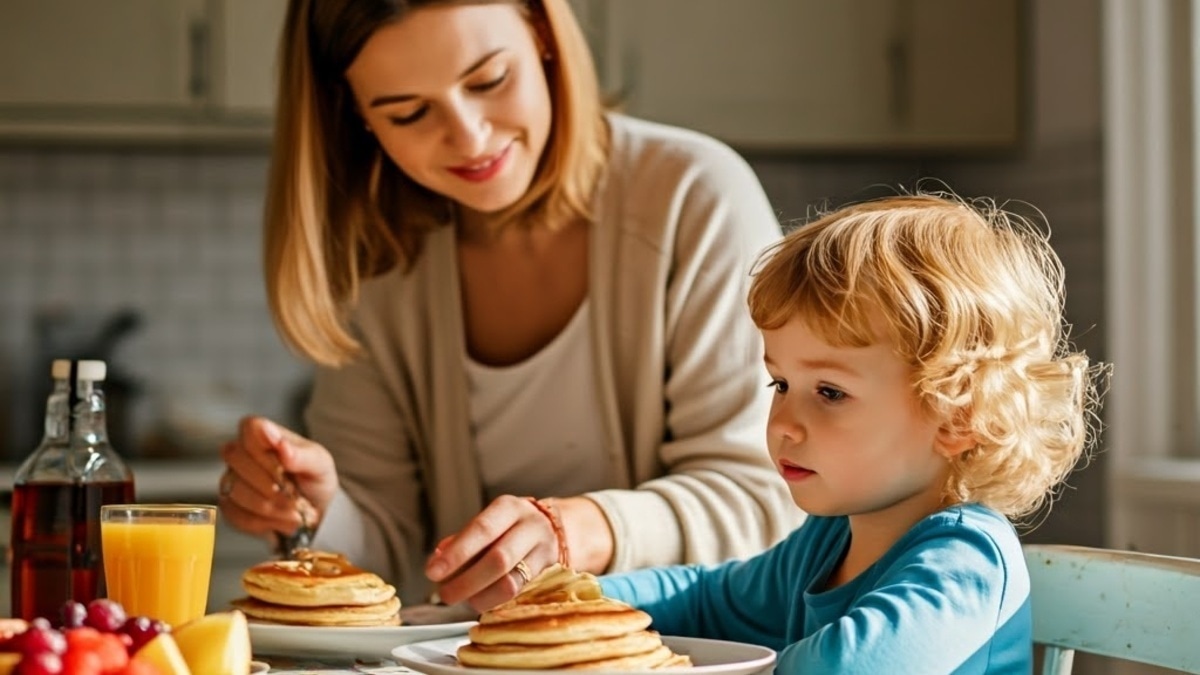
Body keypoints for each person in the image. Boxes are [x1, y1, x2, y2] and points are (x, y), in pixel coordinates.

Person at [216, 0, 805, 612]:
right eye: (410, 112)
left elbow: (765, 497)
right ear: (355, 115)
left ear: (544, 34)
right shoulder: (380, 256)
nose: (470, 137)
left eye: (490, 80)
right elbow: (390, 554)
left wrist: (581, 530)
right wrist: (317, 511)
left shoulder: (694, 196)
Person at [599, 193, 1105, 673]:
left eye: (830, 392)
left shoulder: (967, 561)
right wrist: (575, 601)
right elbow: (707, 599)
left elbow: (839, 668)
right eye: (781, 383)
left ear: (958, 416)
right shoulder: (826, 540)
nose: (782, 425)